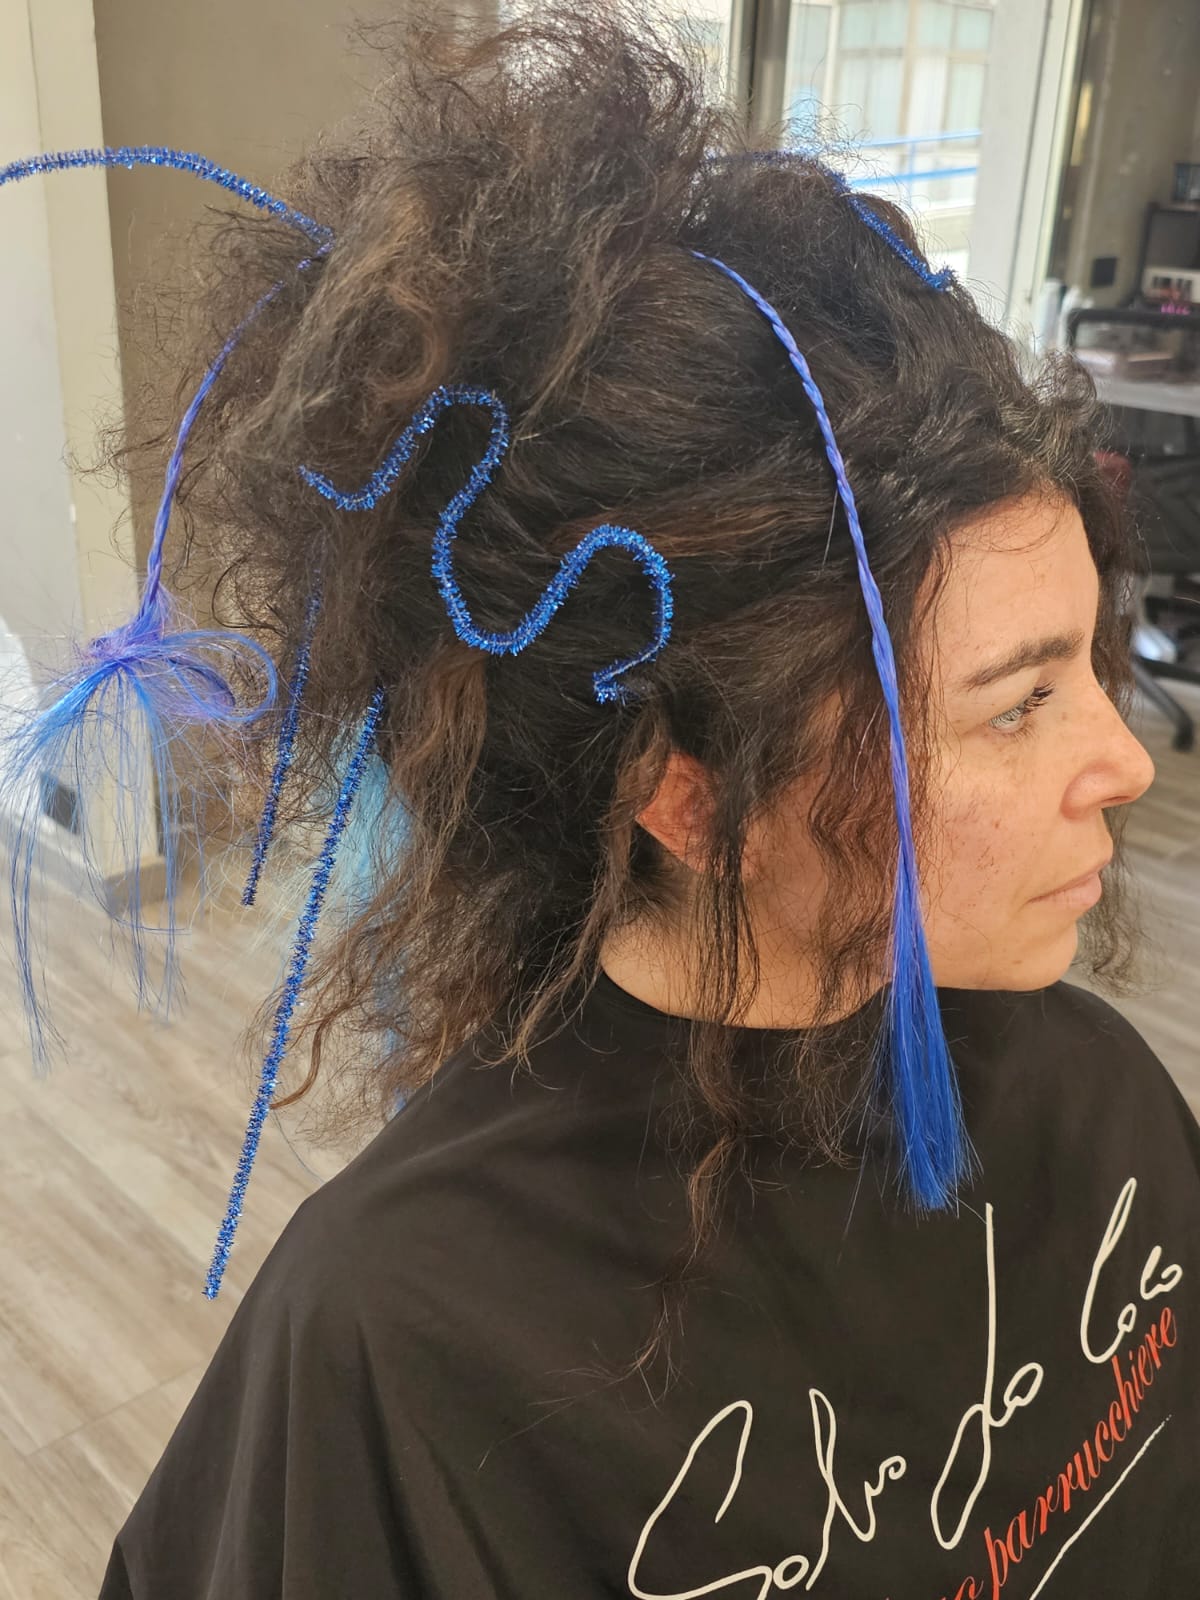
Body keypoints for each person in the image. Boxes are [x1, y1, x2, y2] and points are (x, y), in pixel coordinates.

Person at [34, 4, 1192, 1596]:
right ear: (691, 799)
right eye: (1022, 701)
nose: (1127, 762)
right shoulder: (409, 1344)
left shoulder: (1091, 1093)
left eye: (1092, 665)